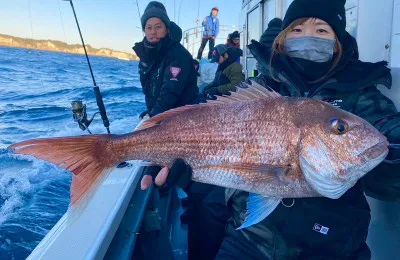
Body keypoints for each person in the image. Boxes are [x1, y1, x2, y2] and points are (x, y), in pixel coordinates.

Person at [142, 0, 400, 259]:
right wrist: (161, 147)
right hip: (250, 240)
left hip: (334, 247)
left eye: (322, 30)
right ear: (283, 39)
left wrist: (390, 157)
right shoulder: (261, 89)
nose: (308, 37)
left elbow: (389, 139)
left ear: (338, 41)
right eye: (297, 30)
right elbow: (206, 121)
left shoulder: (362, 96)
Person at [132, 1, 198, 196]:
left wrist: (152, 118)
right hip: (162, 118)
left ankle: (189, 204)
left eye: (158, 27)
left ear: (167, 29)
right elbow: (150, 92)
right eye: (148, 27)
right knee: (160, 173)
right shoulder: (147, 55)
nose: (153, 32)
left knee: (182, 171)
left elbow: (170, 91)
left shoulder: (178, 54)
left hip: (184, 121)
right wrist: (150, 112)